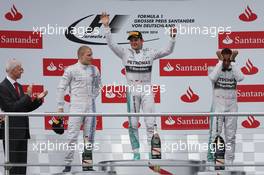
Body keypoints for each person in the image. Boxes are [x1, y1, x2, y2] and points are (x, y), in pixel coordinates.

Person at [101, 12, 176, 160]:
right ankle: (136, 152)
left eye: (136, 39)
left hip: (147, 89)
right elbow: (111, 44)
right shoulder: (124, 53)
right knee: (133, 124)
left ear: (142, 40)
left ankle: (152, 153)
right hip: (132, 91)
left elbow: (167, 50)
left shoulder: (150, 52)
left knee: (150, 123)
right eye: (131, 40)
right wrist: (106, 26)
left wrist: (172, 37)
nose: (134, 42)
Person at [57, 46, 101, 172]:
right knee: (72, 136)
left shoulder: (95, 69)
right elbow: (61, 87)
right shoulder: (71, 69)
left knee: (89, 137)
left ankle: (87, 165)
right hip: (76, 107)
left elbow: (98, 86)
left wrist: (92, 97)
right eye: (89, 55)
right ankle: (68, 165)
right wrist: (60, 107)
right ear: (81, 56)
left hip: (91, 107)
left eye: (92, 54)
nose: (92, 57)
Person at [0, 58, 48, 175]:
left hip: (22, 132)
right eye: (20, 69)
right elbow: (10, 108)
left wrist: (38, 99)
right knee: (13, 166)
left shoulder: (19, 86)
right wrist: (27, 96)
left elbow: (24, 109)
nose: (22, 71)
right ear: (13, 70)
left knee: (22, 167)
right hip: (11, 132)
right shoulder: (2, 87)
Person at [207, 48, 244, 166]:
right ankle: (212, 161)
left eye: (229, 57)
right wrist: (220, 62)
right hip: (218, 105)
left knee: (231, 136)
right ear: (221, 57)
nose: (227, 60)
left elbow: (241, 78)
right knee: (215, 135)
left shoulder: (234, 69)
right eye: (225, 57)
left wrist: (232, 62)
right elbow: (212, 78)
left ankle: (229, 162)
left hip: (232, 106)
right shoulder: (215, 69)